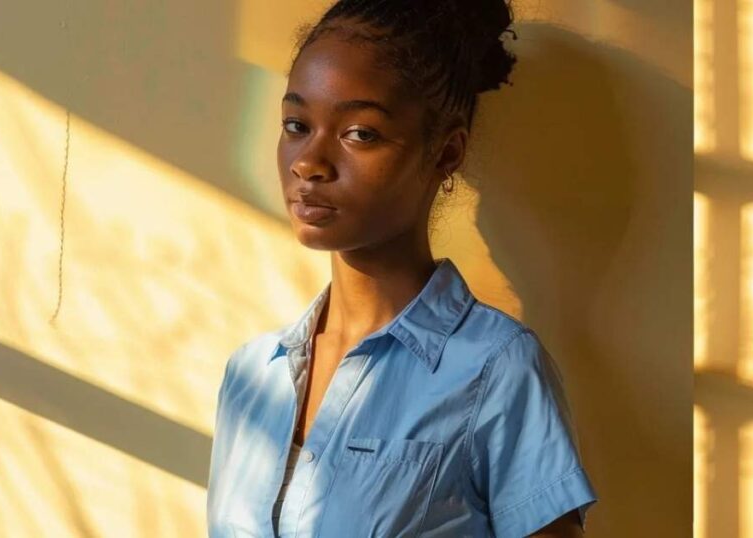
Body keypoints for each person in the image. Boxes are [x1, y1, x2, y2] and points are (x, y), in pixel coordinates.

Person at [206, 1, 598, 536]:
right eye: (297, 124)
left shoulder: (497, 371)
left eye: (360, 134)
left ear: (445, 153)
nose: (308, 163)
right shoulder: (251, 376)